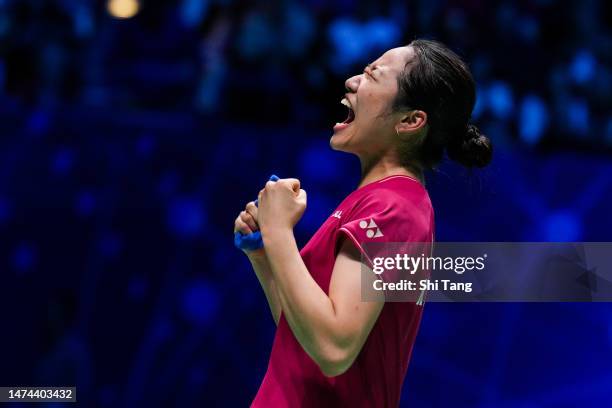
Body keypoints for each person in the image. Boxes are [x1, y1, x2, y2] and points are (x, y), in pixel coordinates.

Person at [233, 39, 492, 407]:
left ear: (410, 121)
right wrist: (264, 253)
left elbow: (334, 347)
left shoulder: (396, 209)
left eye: (372, 75)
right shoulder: (379, 200)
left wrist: (278, 232)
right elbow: (305, 335)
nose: (352, 81)